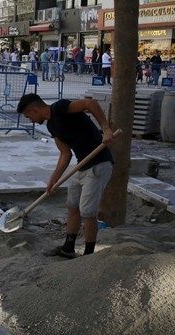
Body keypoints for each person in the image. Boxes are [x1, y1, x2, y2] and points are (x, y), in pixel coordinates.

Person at [16, 93, 114, 258]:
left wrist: (105, 128)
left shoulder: (60, 108)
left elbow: (90, 104)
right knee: (72, 205)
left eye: (28, 116)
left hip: (99, 163)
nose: (30, 120)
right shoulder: (51, 126)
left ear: (34, 110)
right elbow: (65, 153)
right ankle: (68, 248)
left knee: (87, 211)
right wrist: (54, 179)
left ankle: (88, 255)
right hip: (82, 165)